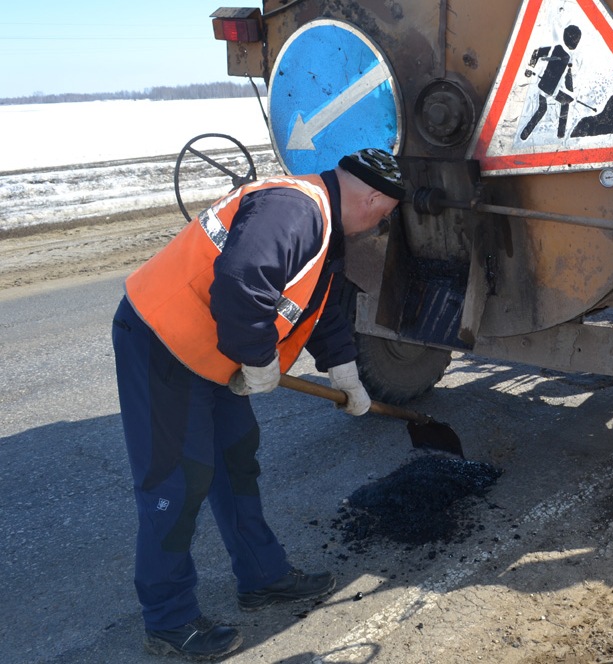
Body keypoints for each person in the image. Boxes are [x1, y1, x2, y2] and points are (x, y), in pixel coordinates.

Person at [112, 147, 405, 659]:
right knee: (177, 481)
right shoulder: (295, 209)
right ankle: (168, 619)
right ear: (372, 199)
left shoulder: (327, 226)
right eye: (386, 213)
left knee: (235, 459)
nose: (383, 223)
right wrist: (259, 360)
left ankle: (262, 577)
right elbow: (242, 282)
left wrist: (345, 372)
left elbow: (322, 303)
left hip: (213, 351)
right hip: (164, 339)